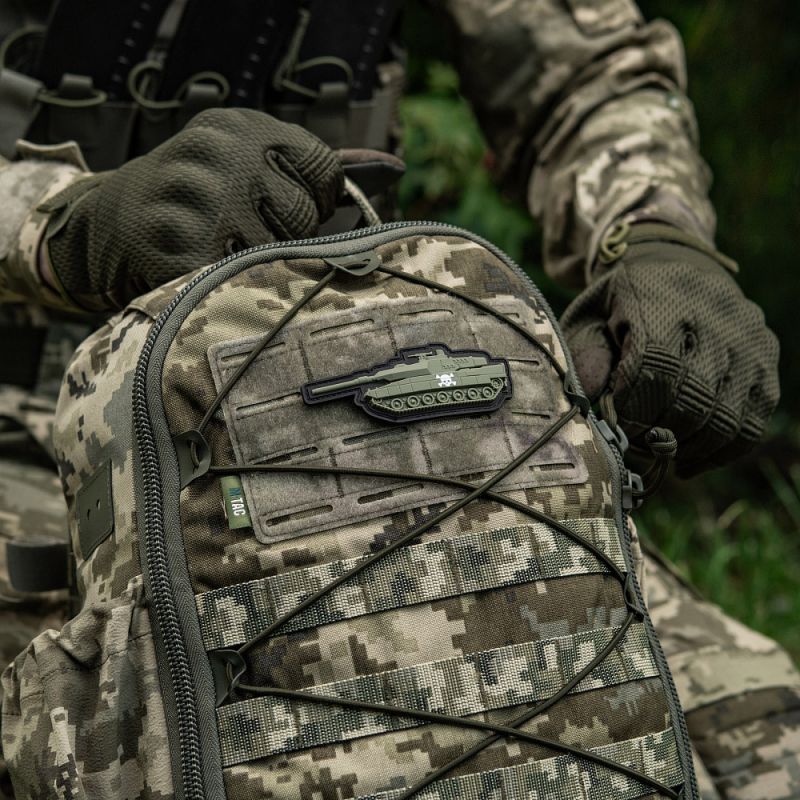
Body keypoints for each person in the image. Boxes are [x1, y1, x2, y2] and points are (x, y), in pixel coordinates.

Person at [0, 1, 797, 798]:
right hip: (26, 435)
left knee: (759, 739)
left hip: (360, 400)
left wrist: (659, 235)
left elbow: (584, 74)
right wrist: (60, 220)